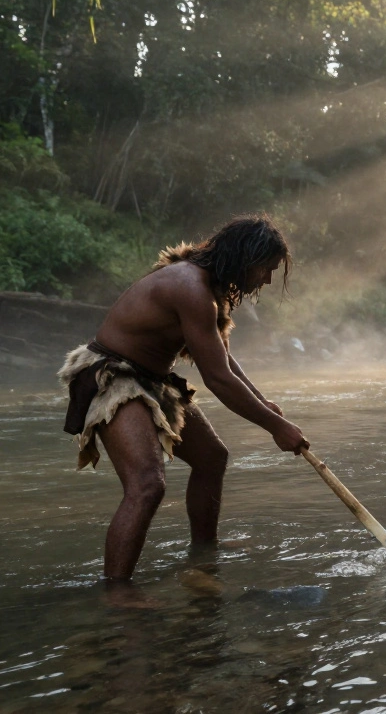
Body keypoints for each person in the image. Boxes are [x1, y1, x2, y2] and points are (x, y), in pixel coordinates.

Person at [58, 215, 309, 584]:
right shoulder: (190, 286)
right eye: (265, 269)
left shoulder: (213, 287)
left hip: (152, 379)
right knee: (147, 485)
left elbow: (223, 359)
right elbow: (218, 379)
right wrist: (276, 427)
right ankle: (116, 593)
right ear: (244, 258)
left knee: (212, 458)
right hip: (113, 376)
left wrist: (262, 401)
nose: (267, 280)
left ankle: (204, 551)